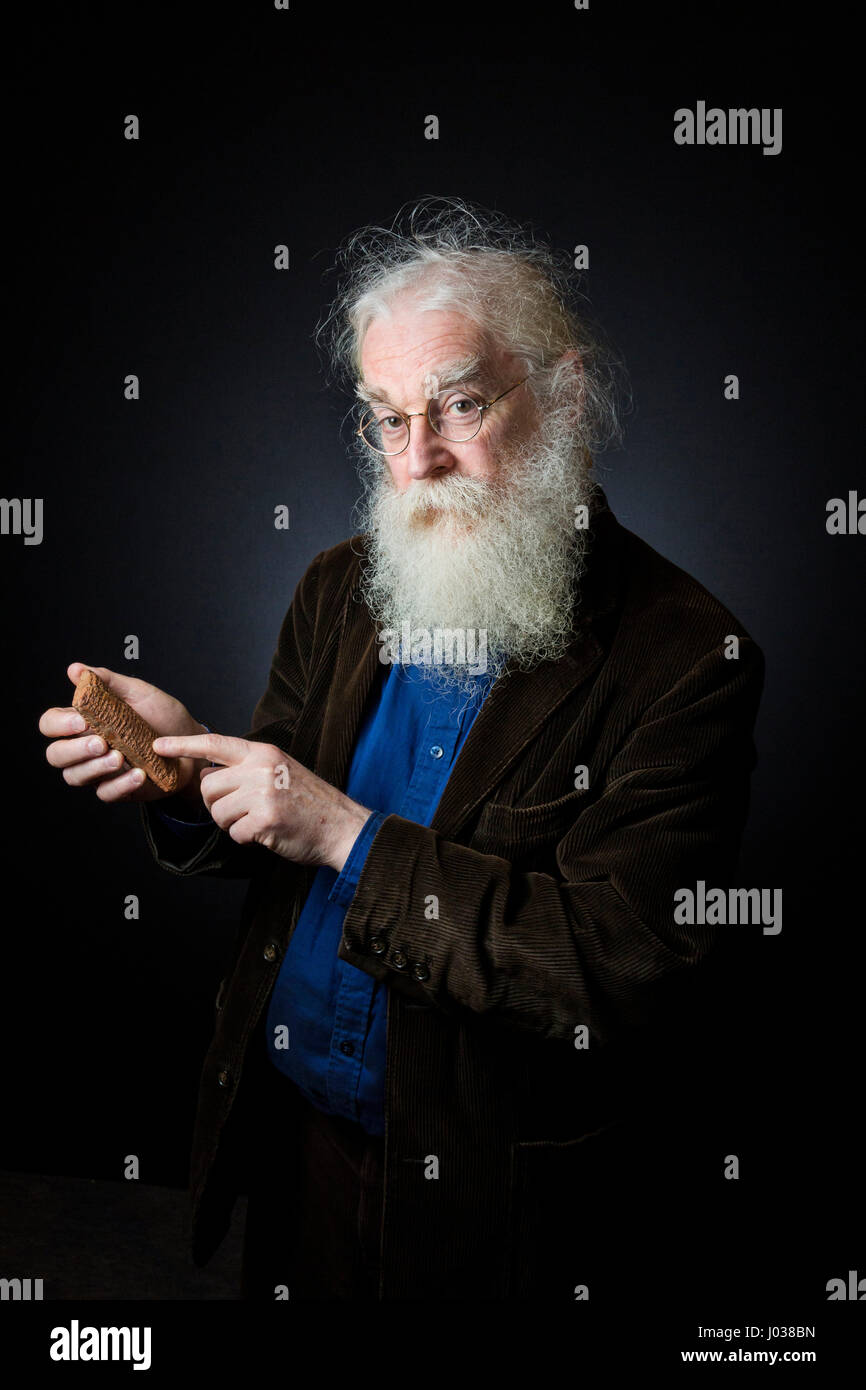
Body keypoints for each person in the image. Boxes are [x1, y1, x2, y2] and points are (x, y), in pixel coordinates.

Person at [39, 197, 764, 1301]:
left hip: (494, 1203)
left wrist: (345, 832)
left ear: (562, 391)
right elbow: (278, 820)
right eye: (385, 416)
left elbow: (610, 971)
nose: (415, 458)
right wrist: (182, 764)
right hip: (292, 1155)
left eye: (457, 405)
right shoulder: (339, 586)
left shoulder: (684, 656)